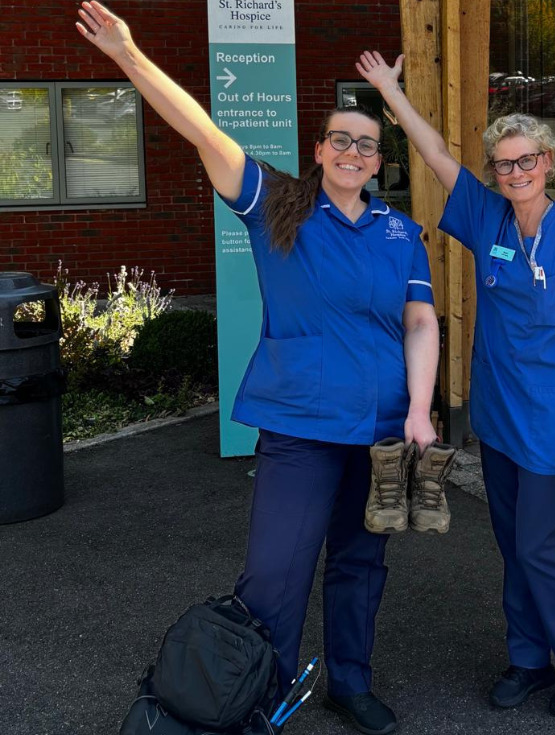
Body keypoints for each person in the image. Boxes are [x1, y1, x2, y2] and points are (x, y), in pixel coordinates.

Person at [76, 3, 439, 733]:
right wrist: (128, 54)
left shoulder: (399, 230)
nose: (352, 153)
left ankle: (350, 682)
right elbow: (202, 130)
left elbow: (421, 321)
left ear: (379, 161)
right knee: (275, 576)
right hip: (300, 427)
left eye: (366, 146)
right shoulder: (278, 205)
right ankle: (249, 699)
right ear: (319, 147)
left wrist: (420, 408)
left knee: (360, 566)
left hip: (381, 428)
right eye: (340, 140)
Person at [358, 51, 555, 717]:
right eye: (503, 163)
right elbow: (431, 154)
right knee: (512, 545)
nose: (513, 172)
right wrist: (390, 94)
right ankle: (527, 657)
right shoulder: (488, 219)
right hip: (500, 413)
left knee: (539, 547)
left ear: (547, 162)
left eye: (525, 160)